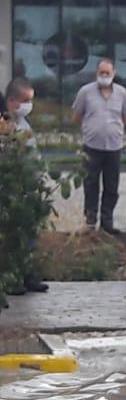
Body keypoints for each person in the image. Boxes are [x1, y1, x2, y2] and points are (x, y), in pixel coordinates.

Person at [72, 58, 126, 234]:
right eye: (101, 73)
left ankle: (107, 223)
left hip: (114, 147)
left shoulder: (122, 93)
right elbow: (76, 116)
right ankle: (90, 222)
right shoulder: (85, 92)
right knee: (91, 184)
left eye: (108, 73)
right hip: (91, 146)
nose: (104, 76)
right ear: (96, 73)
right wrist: (90, 126)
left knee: (111, 186)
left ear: (114, 73)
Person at [4, 77, 48, 294]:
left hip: (30, 186)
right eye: (25, 100)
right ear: (11, 101)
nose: (28, 106)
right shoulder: (5, 126)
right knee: (13, 235)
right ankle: (12, 278)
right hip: (13, 189)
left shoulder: (24, 124)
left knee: (29, 233)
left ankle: (28, 274)